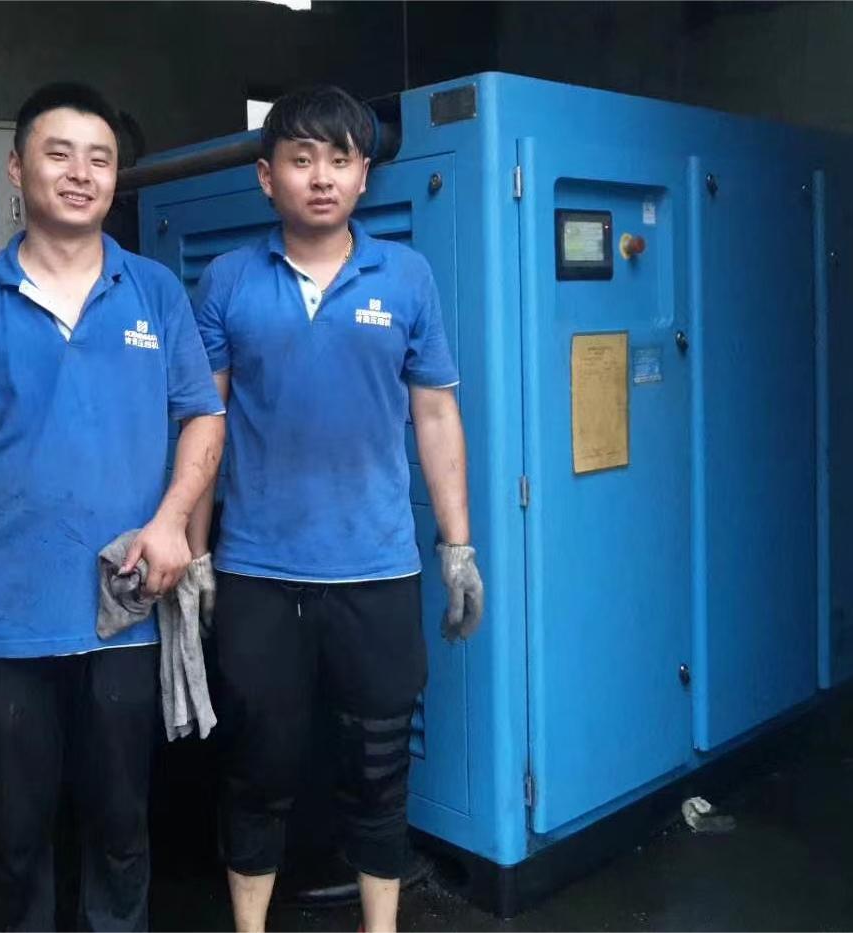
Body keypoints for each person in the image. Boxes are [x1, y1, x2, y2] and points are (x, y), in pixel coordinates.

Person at [0, 82, 225, 932]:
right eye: (59, 154)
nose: (81, 174)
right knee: (13, 837)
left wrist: (172, 522)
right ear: (16, 169)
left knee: (121, 827)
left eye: (100, 159)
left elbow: (204, 414)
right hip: (4, 620)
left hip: (125, 615)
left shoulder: (154, 291)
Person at [186, 85, 485, 933]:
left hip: (378, 570)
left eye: (341, 160)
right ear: (266, 176)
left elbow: (436, 413)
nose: (321, 177)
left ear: (363, 176)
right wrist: (197, 552)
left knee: (380, 769)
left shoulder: (407, 275)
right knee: (257, 766)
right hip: (258, 572)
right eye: (301, 159)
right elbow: (204, 423)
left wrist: (458, 546)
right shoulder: (228, 280)